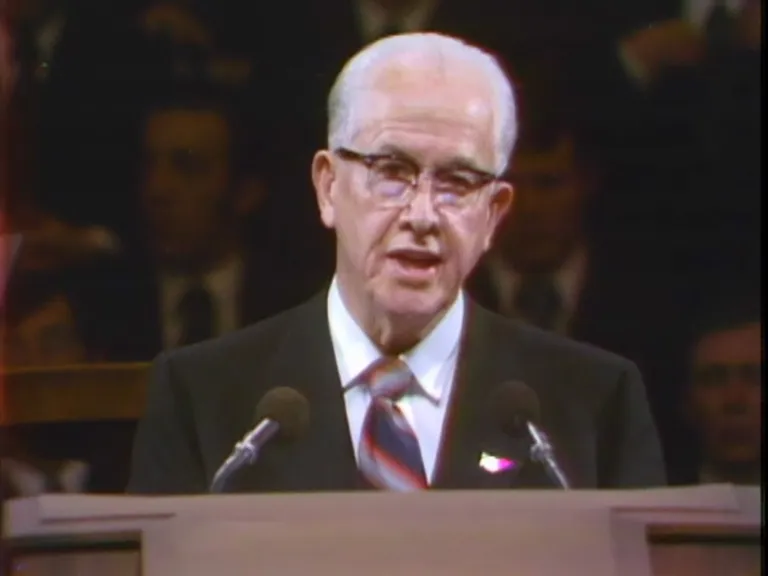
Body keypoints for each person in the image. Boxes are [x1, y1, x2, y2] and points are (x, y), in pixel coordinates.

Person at [127, 33, 665, 494]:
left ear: (493, 214)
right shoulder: (204, 396)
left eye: (457, 183)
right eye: (391, 172)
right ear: (328, 187)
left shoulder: (593, 401)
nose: (422, 215)